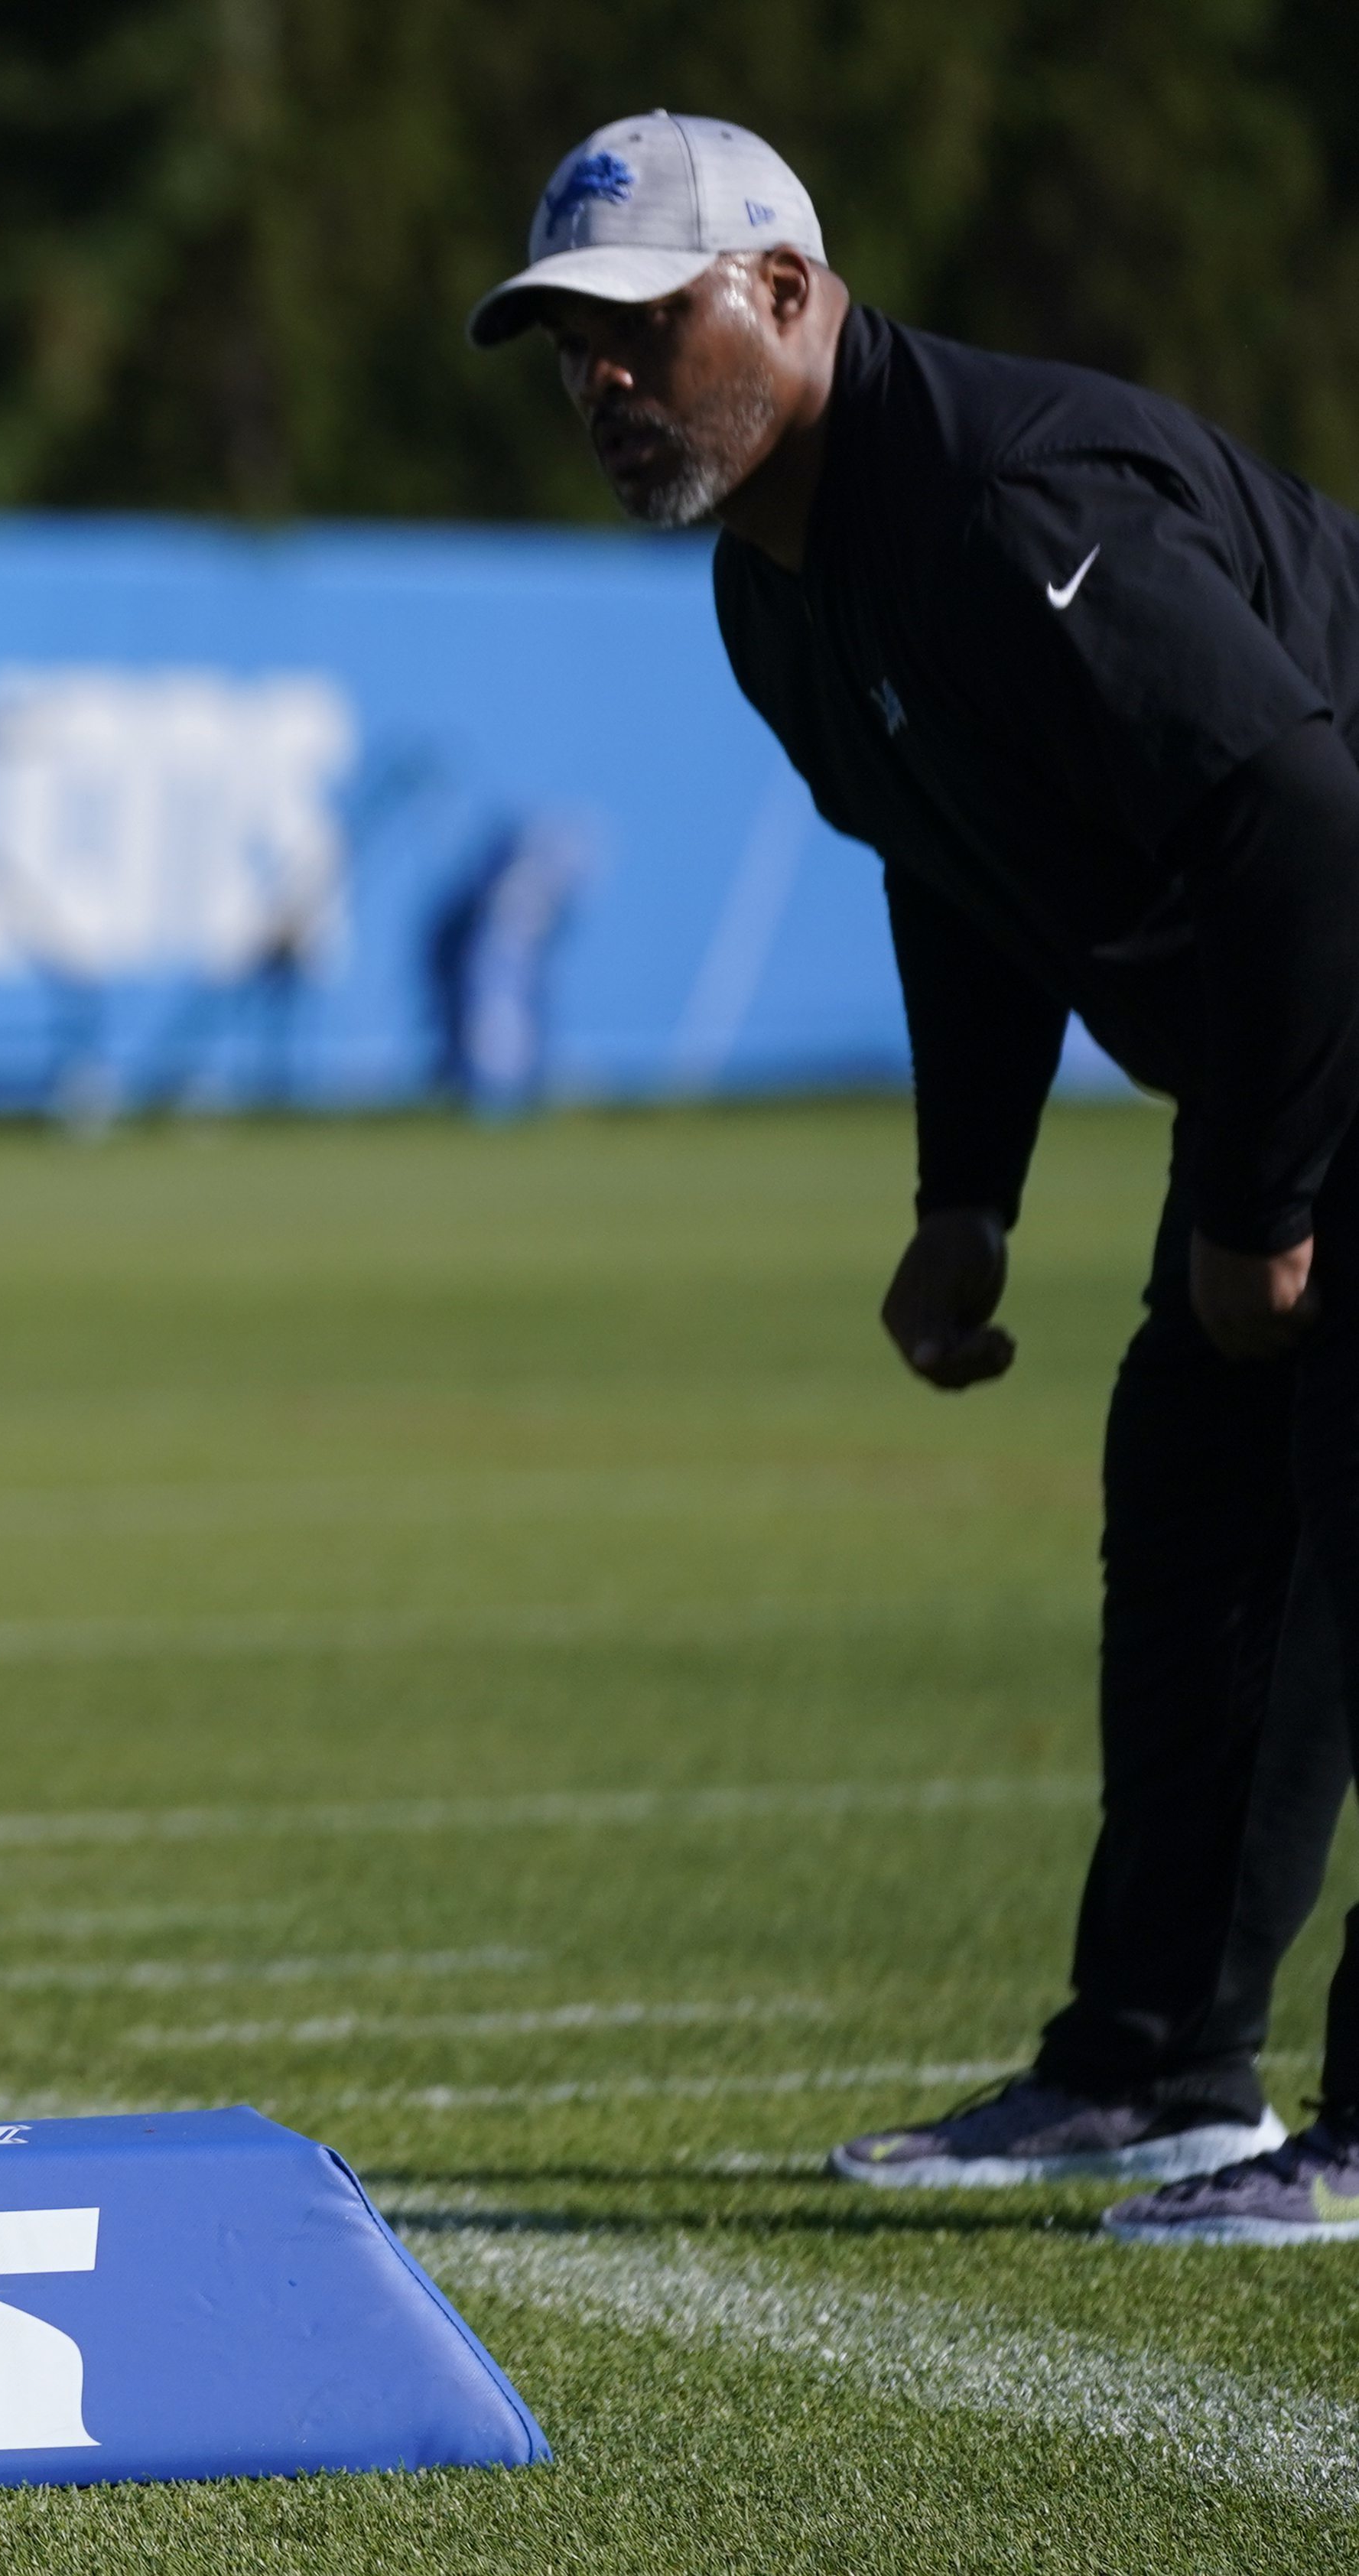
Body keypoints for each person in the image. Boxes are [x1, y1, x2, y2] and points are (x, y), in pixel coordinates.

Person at [471, 112, 1359, 2242]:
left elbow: (1304, 824)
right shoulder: (779, 588)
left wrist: (1256, 1205)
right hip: (1294, 1035)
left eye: (634, 326)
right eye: (562, 346)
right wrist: (965, 1195)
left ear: (784, 290)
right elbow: (955, 872)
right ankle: (1149, 2064)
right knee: (1199, 1528)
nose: (596, 382)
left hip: (1333, 979)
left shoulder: (997, 501)